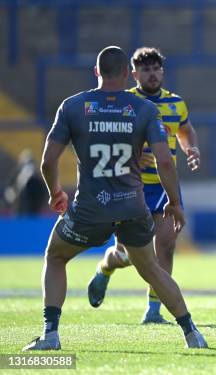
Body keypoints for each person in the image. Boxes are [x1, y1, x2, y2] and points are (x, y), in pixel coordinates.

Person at [23, 46, 206, 350]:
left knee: (55, 256)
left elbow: (46, 161)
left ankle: (50, 335)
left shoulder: (72, 107)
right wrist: (174, 202)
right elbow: (164, 161)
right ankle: (192, 333)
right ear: (127, 74)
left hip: (90, 207)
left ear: (96, 72)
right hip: (133, 205)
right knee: (152, 268)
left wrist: (55, 192)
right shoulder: (144, 109)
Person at [87, 47, 201, 324]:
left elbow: (185, 130)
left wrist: (191, 148)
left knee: (166, 246)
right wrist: (134, 152)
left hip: (163, 186)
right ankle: (105, 268)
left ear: (162, 71)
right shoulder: (125, 102)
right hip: (129, 185)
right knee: (127, 255)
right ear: (134, 74)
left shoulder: (176, 103)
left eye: (156, 68)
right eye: (145, 69)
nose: (152, 74)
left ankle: (153, 310)